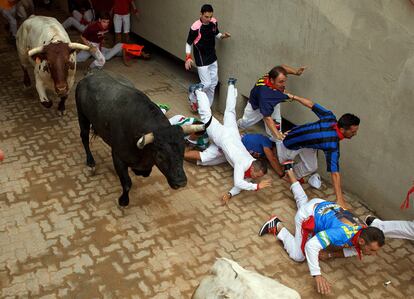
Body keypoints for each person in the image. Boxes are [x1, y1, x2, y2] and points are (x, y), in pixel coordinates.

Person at [259, 166, 385, 295]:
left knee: (303, 202)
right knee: (299, 256)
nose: (373, 254)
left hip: (321, 204)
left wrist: (330, 255)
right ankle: (277, 226)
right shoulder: (341, 234)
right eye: (372, 250)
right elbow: (311, 246)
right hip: (308, 216)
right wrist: (317, 275)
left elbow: (353, 249)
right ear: (362, 241)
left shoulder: (363, 229)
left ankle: (290, 173)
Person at [189, 78, 271, 204]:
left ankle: (232, 85)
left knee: (230, 112)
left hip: (233, 134)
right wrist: (257, 187)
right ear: (254, 169)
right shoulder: (241, 163)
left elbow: (242, 184)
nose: (257, 179)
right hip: (222, 136)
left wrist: (229, 194)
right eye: (258, 176)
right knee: (207, 117)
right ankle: (198, 91)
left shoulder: (251, 166)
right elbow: (239, 182)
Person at [275, 94, 360, 208]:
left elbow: (311, 104)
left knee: (312, 167)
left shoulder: (330, 117)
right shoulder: (332, 145)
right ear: (342, 129)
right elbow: (334, 173)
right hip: (289, 142)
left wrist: (294, 97)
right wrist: (340, 200)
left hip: (307, 144)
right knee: (282, 162)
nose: (355, 134)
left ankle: (290, 176)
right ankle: (281, 154)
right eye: (353, 132)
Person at [237, 65, 306, 141]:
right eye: (280, 82)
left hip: (272, 103)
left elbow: (282, 68)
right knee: (245, 122)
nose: (283, 84)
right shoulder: (265, 93)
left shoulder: (272, 75)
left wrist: (296, 72)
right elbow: (267, 118)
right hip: (256, 107)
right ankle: (236, 127)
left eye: (284, 81)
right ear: (272, 80)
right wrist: (277, 135)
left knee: (277, 131)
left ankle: (277, 143)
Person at [185, 4, 230, 109]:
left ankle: (206, 108)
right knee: (207, 83)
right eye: (206, 17)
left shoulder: (213, 22)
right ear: (201, 14)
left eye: (210, 16)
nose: (209, 19)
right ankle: (193, 93)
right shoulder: (195, 26)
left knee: (213, 84)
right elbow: (188, 43)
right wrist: (188, 57)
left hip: (212, 57)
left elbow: (216, 34)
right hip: (201, 59)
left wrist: (223, 36)